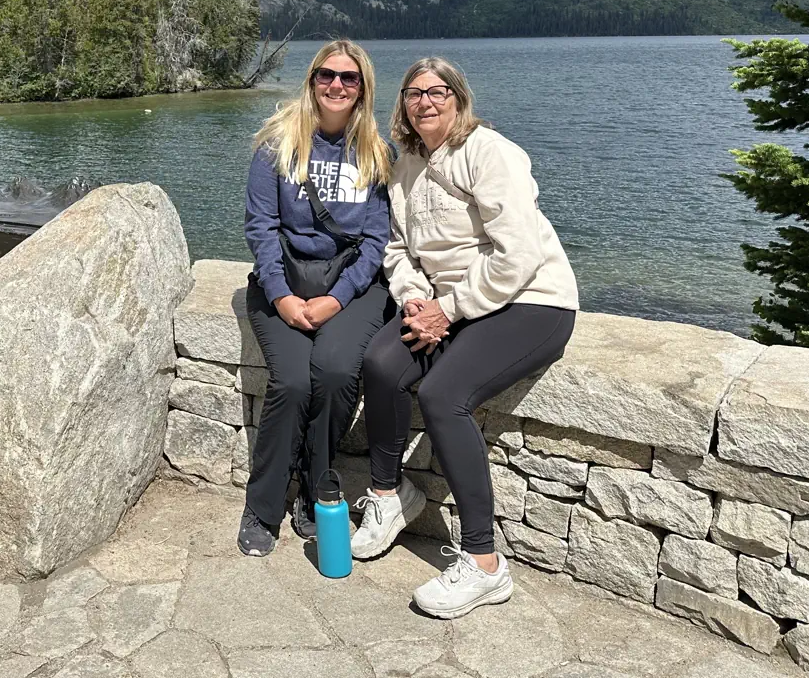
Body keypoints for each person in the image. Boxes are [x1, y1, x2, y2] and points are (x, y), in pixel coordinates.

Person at [350, 56, 578, 618]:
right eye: (413, 92)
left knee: (443, 396)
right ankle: (389, 495)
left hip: (532, 301)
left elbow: (518, 254)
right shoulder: (405, 167)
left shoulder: (487, 151)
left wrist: (447, 311)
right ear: (402, 105)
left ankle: (484, 564)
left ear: (458, 98)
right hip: (453, 309)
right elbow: (398, 249)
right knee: (381, 363)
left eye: (438, 91)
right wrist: (415, 300)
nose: (425, 101)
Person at [238, 38, 393, 556]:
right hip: (284, 281)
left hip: (351, 287)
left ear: (363, 88)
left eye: (349, 78)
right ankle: (262, 506)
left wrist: (338, 298)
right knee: (293, 382)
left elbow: (376, 242)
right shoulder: (276, 147)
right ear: (311, 81)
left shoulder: (375, 152)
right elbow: (260, 228)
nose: (336, 86)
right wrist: (281, 297)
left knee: (333, 373)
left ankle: (313, 489)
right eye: (327, 75)